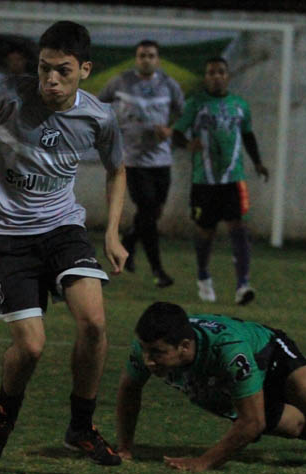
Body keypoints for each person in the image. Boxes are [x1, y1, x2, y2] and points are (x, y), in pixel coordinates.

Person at [0, 21, 128, 466]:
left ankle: (81, 425)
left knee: (95, 324)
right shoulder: (8, 95)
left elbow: (118, 170)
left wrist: (113, 232)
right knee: (32, 347)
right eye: (44, 69)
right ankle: (4, 411)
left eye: (62, 70)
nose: (51, 81)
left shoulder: (98, 116)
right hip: (5, 235)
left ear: (84, 69)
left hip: (62, 228)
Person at [115, 301, 306, 471]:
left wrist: (204, 462)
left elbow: (252, 423)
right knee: (294, 425)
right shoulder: (147, 348)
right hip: (217, 387)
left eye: (157, 353)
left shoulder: (228, 349)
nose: (148, 360)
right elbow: (129, 390)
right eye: (145, 351)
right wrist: (125, 447)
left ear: (185, 346)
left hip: (267, 355)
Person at [172, 57, 269, 305]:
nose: (216, 76)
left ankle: (243, 285)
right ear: (206, 77)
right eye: (211, 72)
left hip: (234, 180)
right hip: (204, 181)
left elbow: (247, 134)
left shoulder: (240, 105)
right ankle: (203, 276)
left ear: (227, 76)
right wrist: (186, 144)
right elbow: (176, 133)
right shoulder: (196, 105)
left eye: (221, 72)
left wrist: (257, 162)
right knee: (206, 232)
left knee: (239, 229)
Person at [99, 40, 184, 288]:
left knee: (152, 214)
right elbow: (99, 104)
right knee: (147, 211)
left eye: (151, 55)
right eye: (142, 55)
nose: (146, 59)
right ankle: (158, 271)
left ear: (157, 59)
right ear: (136, 58)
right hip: (133, 161)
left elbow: (184, 113)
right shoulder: (121, 81)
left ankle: (127, 248)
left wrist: (170, 130)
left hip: (161, 160)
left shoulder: (168, 84)